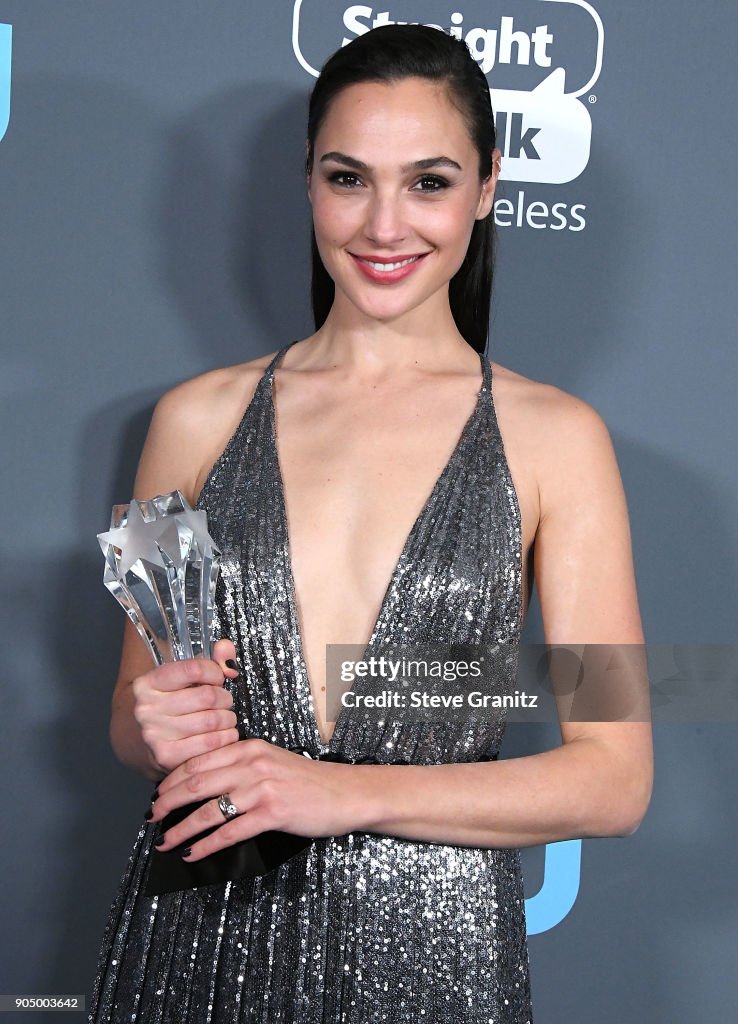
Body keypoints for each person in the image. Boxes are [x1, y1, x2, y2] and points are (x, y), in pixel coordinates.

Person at [88, 23, 653, 1024]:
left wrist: (343, 792)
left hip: (437, 961)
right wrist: (151, 726)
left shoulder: (560, 439)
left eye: (429, 182)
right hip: (197, 933)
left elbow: (613, 778)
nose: (385, 224)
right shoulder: (189, 421)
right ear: (308, 183)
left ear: (486, 190)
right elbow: (139, 716)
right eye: (350, 178)